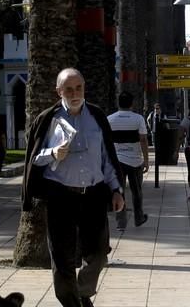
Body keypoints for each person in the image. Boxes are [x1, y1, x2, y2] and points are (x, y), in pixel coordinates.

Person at [21, 68, 125, 307]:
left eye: (78, 87)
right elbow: (34, 159)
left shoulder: (97, 117)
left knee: (99, 253)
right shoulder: (48, 119)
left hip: (94, 195)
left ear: (84, 88)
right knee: (62, 257)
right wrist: (52, 153)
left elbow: (107, 158)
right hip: (61, 196)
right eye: (68, 89)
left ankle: (83, 291)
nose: (74, 93)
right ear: (59, 91)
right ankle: (72, 302)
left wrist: (116, 190)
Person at [107, 91, 149, 229]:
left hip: (117, 161)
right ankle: (139, 218)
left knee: (119, 191)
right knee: (137, 191)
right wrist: (146, 160)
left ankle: (121, 222)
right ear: (132, 103)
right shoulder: (138, 119)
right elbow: (143, 139)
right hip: (135, 161)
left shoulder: (110, 119)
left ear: (118, 103)